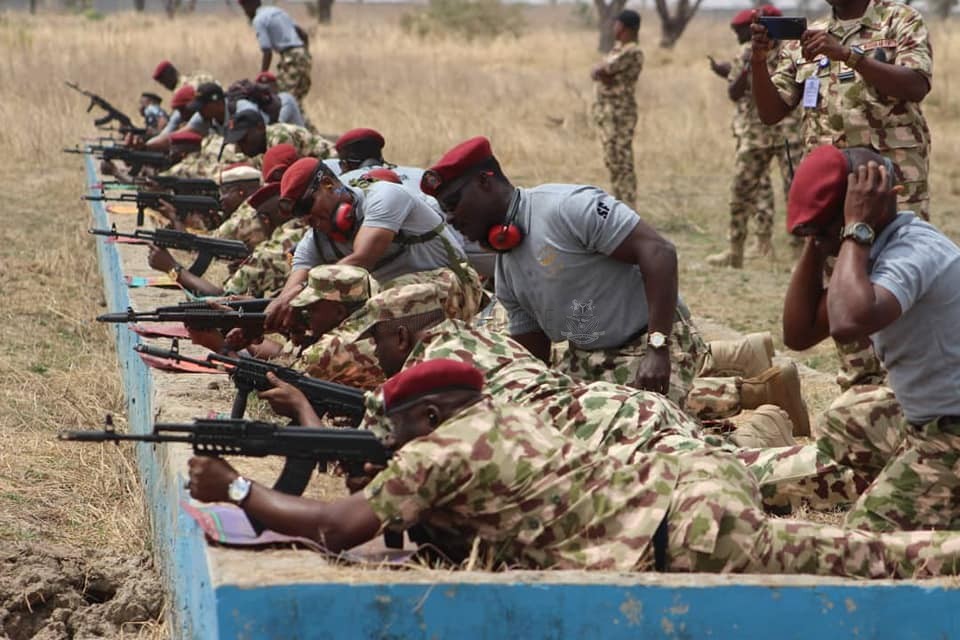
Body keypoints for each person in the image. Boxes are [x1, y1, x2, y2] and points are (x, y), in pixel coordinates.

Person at [188, 358, 960, 578]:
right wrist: (307, 423)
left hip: (685, 529)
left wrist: (241, 490)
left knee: (862, 556)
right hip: (685, 478)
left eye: (395, 431)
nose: (392, 444)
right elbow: (398, 493)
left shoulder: (437, 452)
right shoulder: (496, 415)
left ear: (425, 420)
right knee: (837, 535)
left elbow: (339, 526)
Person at [423, 136, 701, 409]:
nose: (450, 218)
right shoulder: (506, 270)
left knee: (635, 428)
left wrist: (657, 347)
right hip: (586, 358)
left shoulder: (567, 207)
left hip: (652, 341)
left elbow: (659, 252)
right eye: (444, 209)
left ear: (485, 181)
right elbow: (534, 352)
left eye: (452, 203)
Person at [784, 144, 960, 532]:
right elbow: (798, 334)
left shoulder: (913, 253)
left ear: (868, 207)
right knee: (845, 419)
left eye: (829, 226)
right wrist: (818, 239)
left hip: (950, 435)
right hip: (930, 418)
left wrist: (855, 229)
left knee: (861, 540)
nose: (829, 239)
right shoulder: (876, 251)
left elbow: (848, 321)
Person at [750, 0, 933, 219]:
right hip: (830, 181)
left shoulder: (900, 19)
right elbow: (770, 114)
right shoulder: (809, 37)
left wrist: (849, 56)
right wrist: (758, 61)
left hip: (892, 176)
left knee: (897, 250)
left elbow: (916, 86)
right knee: (833, 252)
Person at [262, 157, 477, 332]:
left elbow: (362, 258)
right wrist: (273, 313)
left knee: (366, 318)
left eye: (308, 205)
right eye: (299, 213)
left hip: (455, 290)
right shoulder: (314, 240)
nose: (307, 218)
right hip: (396, 309)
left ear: (328, 184)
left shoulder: (384, 196)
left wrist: (297, 297)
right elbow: (292, 288)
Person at [707, 4, 802, 267]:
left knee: (795, 193)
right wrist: (751, 64)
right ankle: (735, 249)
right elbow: (733, 93)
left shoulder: (794, 51)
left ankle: (798, 254)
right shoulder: (746, 52)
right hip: (754, 132)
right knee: (740, 191)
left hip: (789, 132)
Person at [590, 10, 643, 209]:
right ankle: (620, 205)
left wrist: (602, 72)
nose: (614, 28)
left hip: (621, 113)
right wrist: (602, 72)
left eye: (617, 24)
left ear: (625, 27)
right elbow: (600, 72)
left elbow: (602, 70)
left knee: (623, 161)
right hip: (609, 112)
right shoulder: (618, 49)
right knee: (612, 161)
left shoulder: (632, 51)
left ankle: (629, 206)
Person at [238, 0, 313, 104]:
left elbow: (267, 51)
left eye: (245, 7)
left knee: (283, 99)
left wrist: (261, 78)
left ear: (251, 4)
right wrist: (305, 55)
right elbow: (303, 34)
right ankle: (302, 120)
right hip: (304, 56)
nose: (245, 12)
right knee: (295, 101)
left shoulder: (259, 20)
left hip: (290, 58)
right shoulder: (278, 11)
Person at [221, 109, 334, 166]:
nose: (240, 148)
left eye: (243, 140)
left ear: (260, 128)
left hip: (331, 164)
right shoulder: (260, 148)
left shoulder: (279, 138)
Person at [213, 163, 269, 250]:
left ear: (241, 192)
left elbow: (212, 242)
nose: (221, 198)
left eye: (224, 191)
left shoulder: (244, 216)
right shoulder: (266, 203)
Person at [151, 60, 215, 92]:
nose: (165, 86)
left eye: (163, 81)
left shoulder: (180, 91)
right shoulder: (199, 74)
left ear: (170, 74)